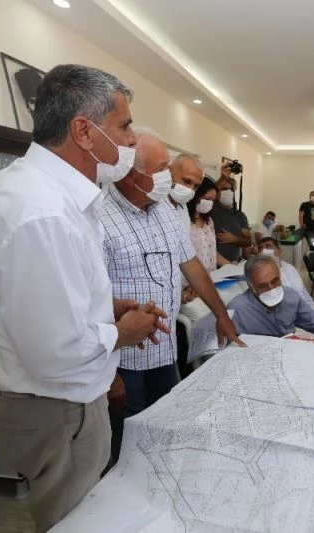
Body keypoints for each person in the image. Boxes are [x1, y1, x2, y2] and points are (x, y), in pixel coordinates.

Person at [0, 64, 169, 532]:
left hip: (48, 403)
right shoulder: (42, 213)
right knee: (73, 521)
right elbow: (53, 351)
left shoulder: (41, 193)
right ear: (84, 131)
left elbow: (45, 303)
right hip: (55, 407)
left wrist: (106, 308)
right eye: (124, 126)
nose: (131, 139)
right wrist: (122, 333)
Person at [100, 128, 244, 460]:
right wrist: (109, 377)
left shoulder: (162, 209)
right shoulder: (99, 218)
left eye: (168, 166)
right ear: (130, 174)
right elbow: (90, 301)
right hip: (124, 362)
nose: (168, 177)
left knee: (164, 437)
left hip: (164, 353)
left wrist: (221, 315)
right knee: (127, 448)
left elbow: (191, 264)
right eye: (160, 169)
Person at [228, 255, 314, 340]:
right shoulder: (237, 310)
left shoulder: (291, 295)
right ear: (250, 285)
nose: (271, 289)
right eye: (263, 286)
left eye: (275, 281)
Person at [186, 178, 231, 273]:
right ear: (196, 194)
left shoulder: (209, 221)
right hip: (190, 278)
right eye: (207, 199)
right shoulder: (184, 220)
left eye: (212, 200)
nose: (209, 203)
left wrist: (231, 266)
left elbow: (211, 251)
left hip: (211, 276)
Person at [212, 167, 252, 262]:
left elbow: (248, 241)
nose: (228, 192)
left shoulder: (240, 215)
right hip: (212, 264)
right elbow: (209, 192)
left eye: (231, 189)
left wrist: (234, 239)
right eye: (224, 189)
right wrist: (223, 177)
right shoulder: (211, 209)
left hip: (233, 264)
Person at [167, 153, 204, 235]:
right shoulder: (150, 202)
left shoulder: (183, 208)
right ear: (169, 171)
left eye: (196, 186)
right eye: (187, 181)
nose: (191, 189)